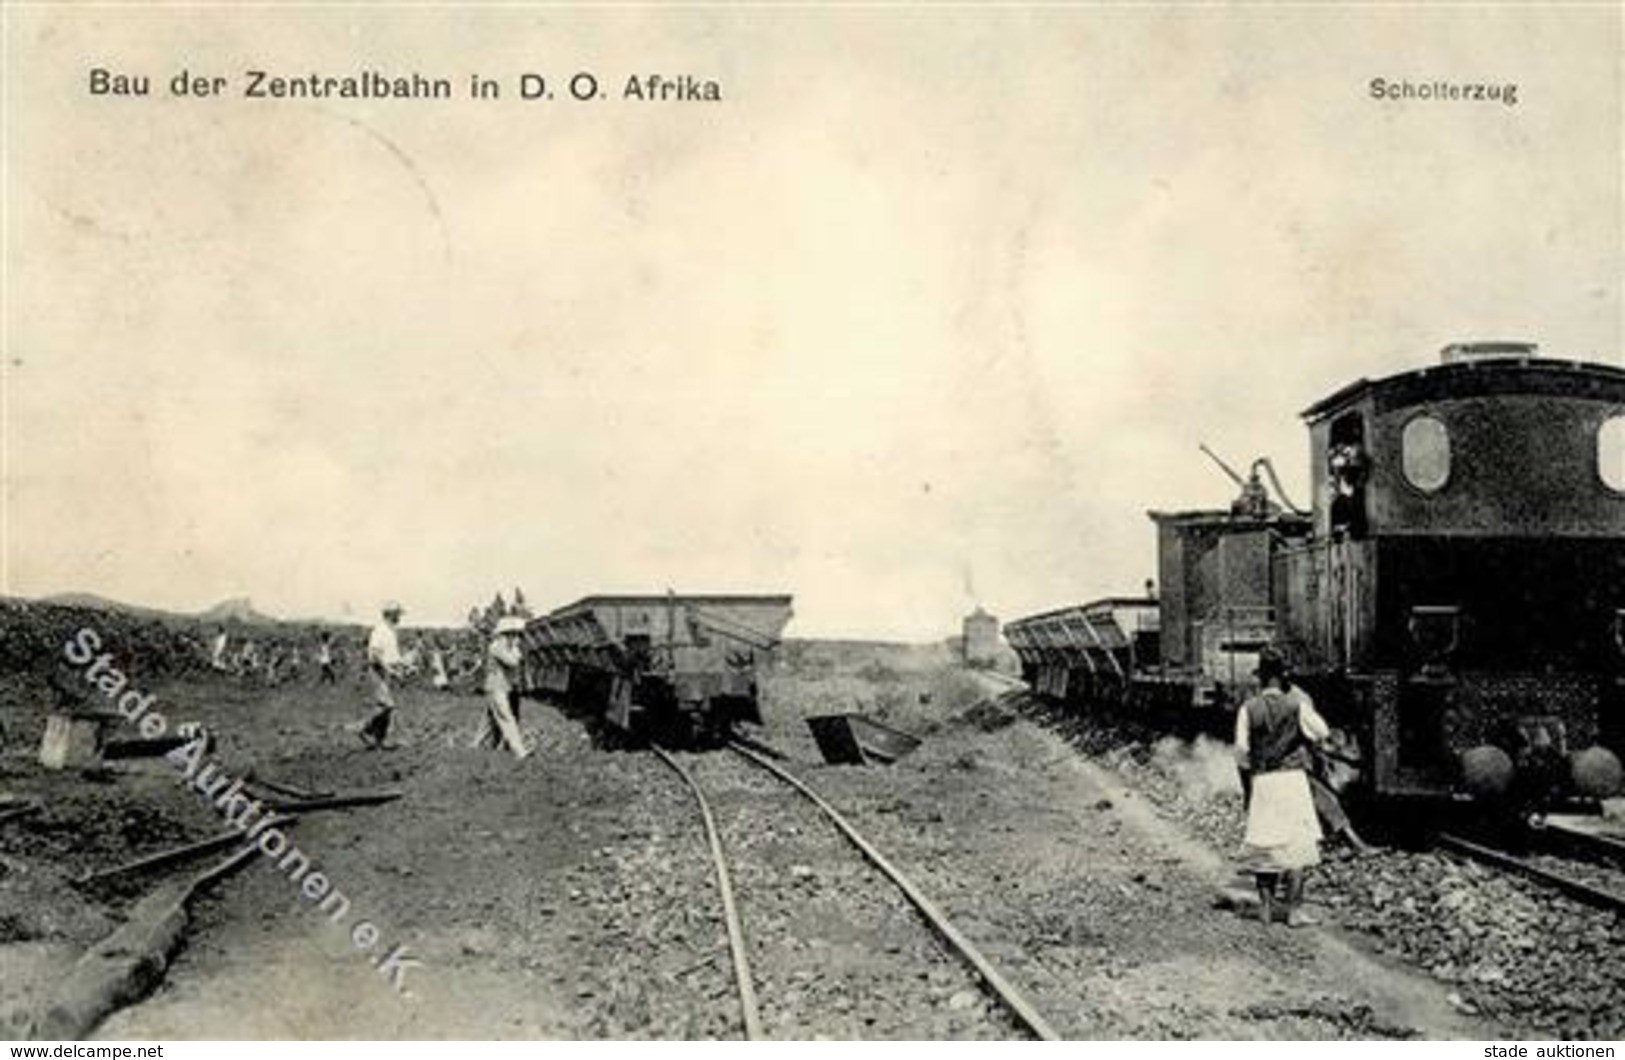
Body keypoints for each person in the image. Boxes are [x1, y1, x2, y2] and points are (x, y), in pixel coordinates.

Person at [1234, 649, 1331, 927]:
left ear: (1261, 678)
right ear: (1283, 676)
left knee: (1266, 843)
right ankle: (1294, 910)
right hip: (1292, 781)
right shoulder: (1297, 705)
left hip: (1263, 781)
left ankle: (1265, 908)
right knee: (1296, 844)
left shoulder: (1248, 708)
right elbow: (1322, 731)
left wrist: (1250, 777)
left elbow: (1241, 750)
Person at [476, 616, 531, 758]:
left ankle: (475, 746)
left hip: (499, 687)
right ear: (505, 633)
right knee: (507, 717)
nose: (516, 636)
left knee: (489, 720)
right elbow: (513, 662)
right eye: (513, 633)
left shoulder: (504, 646)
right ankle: (519, 751)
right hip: (496, 687)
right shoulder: (496, 647)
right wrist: (516, 649)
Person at [359, 601, 408, 749]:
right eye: (398, 614)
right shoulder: (379, 630)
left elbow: (393, 656)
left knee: (385, 709)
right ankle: (364, 728)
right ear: (391, 614)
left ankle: (378, 741)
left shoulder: (392, 631)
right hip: (378, 672)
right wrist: (390, 670)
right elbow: (375, 655)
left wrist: (405, 665)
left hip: (386, 672)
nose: (399, 617)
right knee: (387, 705)